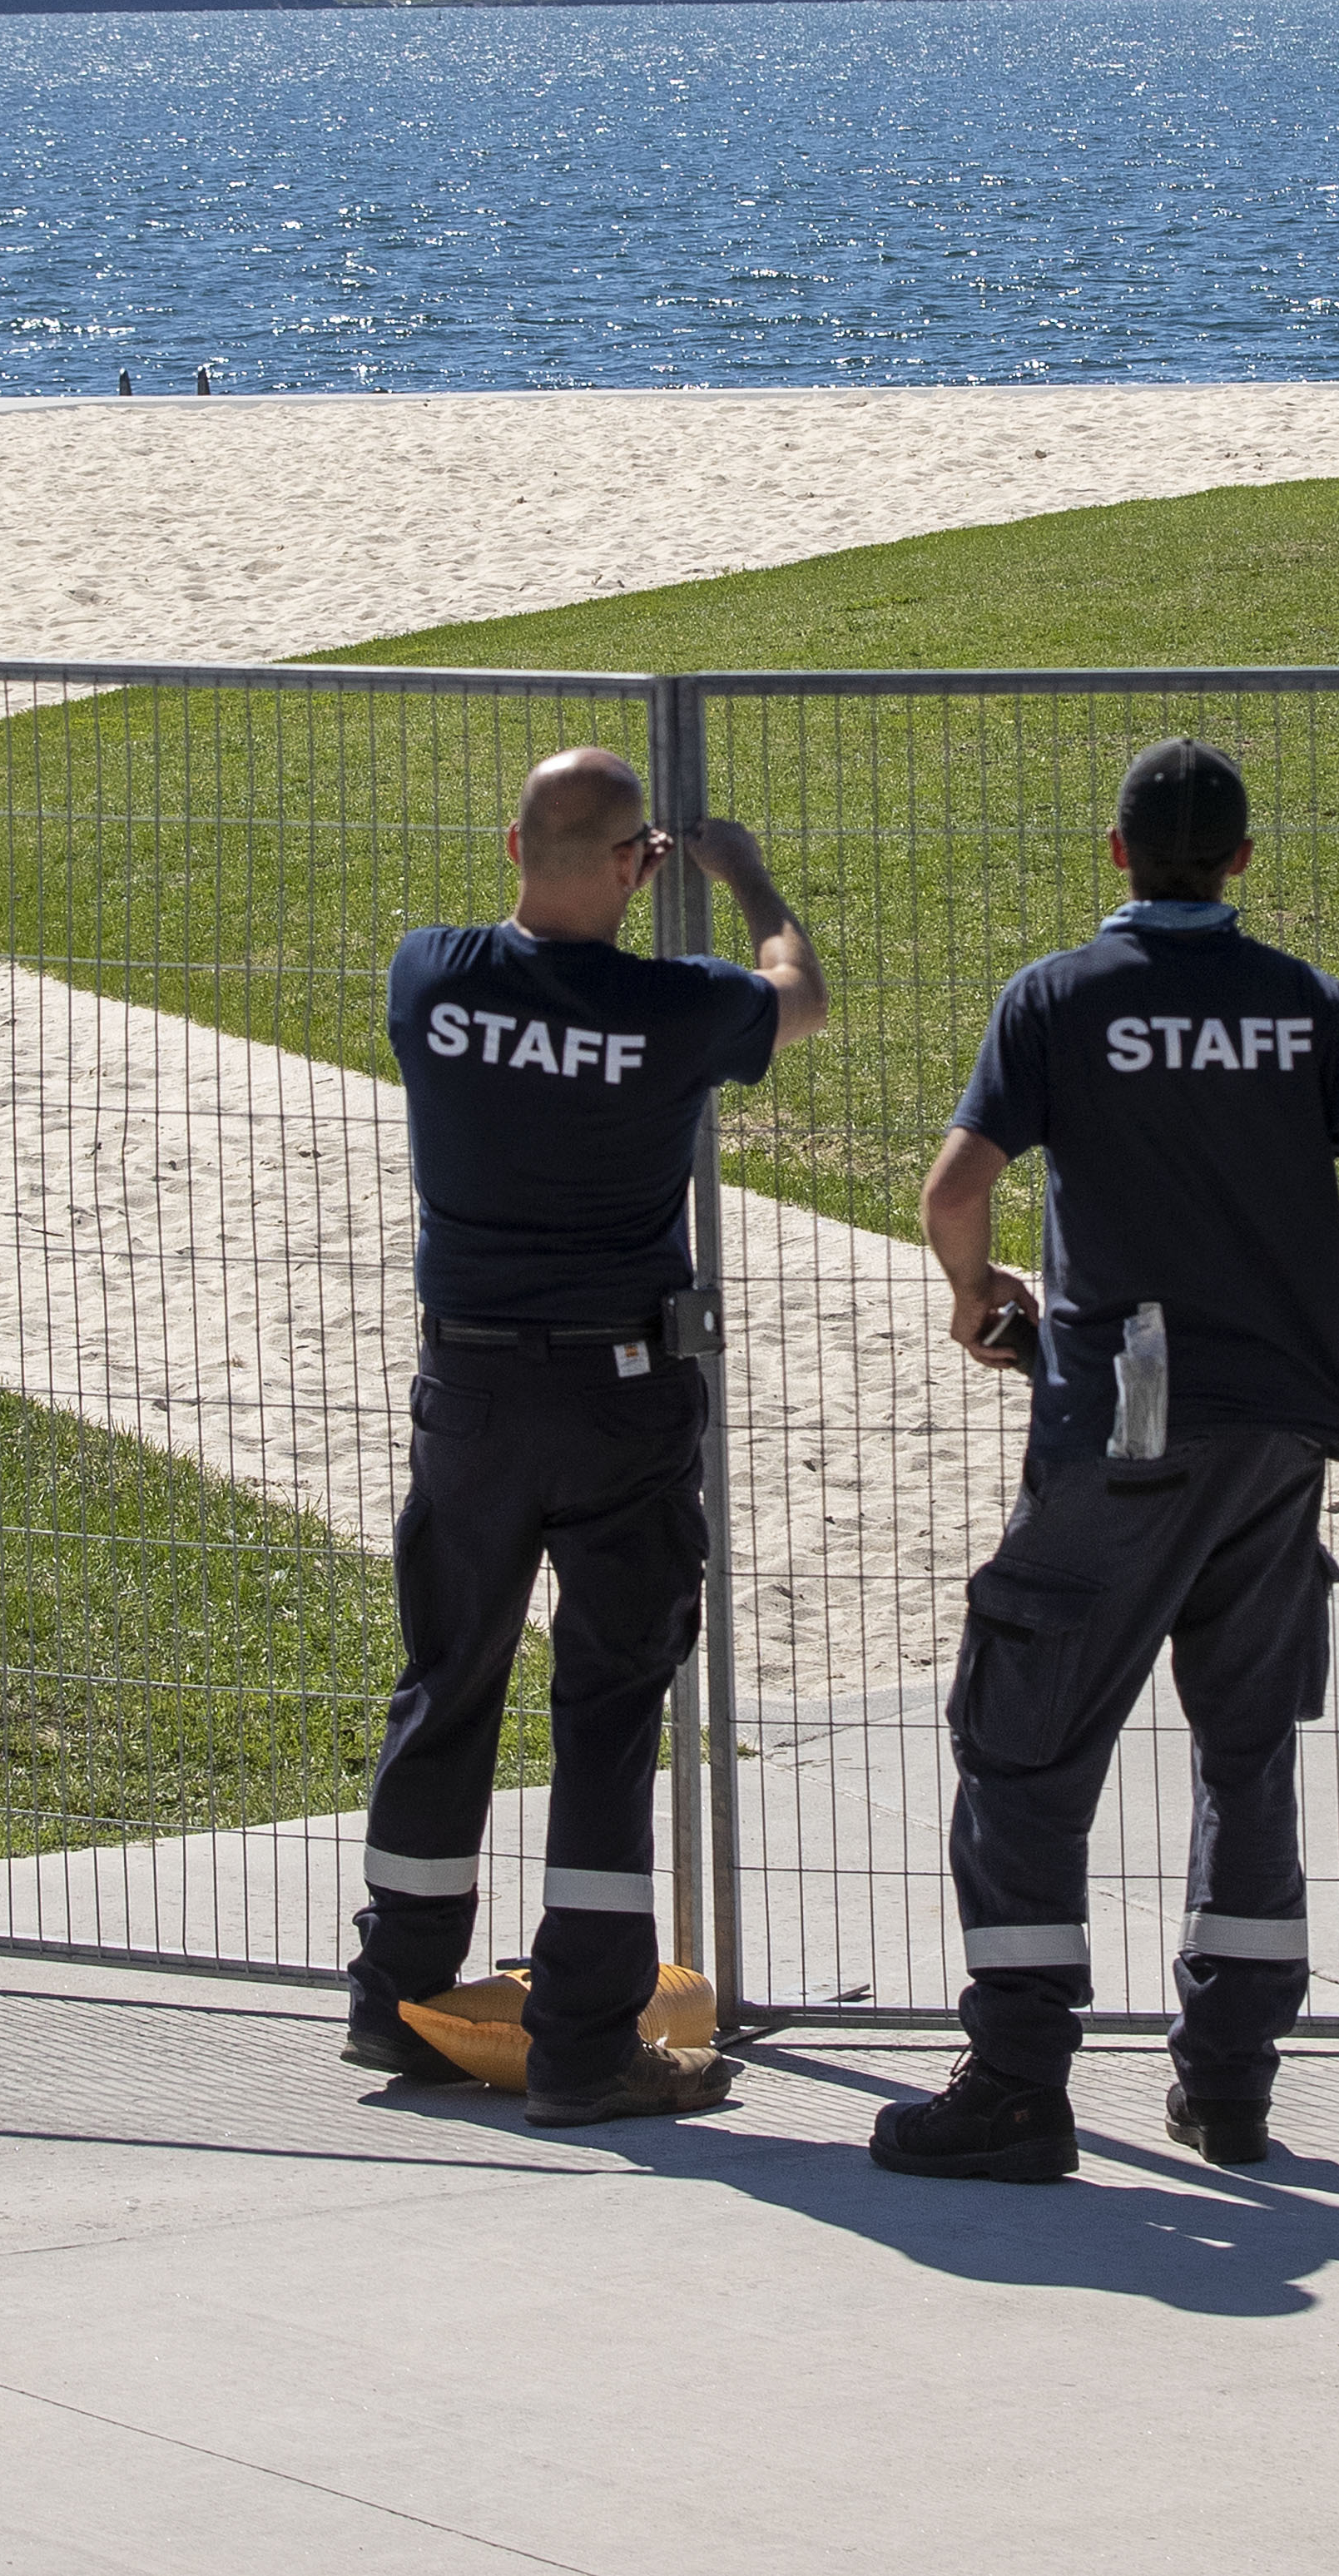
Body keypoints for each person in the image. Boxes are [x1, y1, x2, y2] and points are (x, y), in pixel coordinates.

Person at [873, 737, 1339, 2183]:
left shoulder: (1059, 997)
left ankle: (1017, 2078)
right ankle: (1231, 2082)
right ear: (1244, 862)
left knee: (1024, 1740)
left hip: (1119, 1423)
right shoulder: (1302, 1002)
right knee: (1246, 1752)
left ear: (1115, 853)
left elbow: (957, 1189)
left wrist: (975, 1291)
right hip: (1279, 1438)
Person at [351, 747, 826, 2126]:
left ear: (512, 843)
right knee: (609, 1711)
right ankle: (585, 2038)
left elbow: (519, 981)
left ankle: (395, 1992)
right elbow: (801, 995)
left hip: (472, 1387)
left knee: (449, 1679)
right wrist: (747, 878)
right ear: (638, 866)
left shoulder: (428, 974)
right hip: (618, 1391)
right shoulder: (675, 1009)